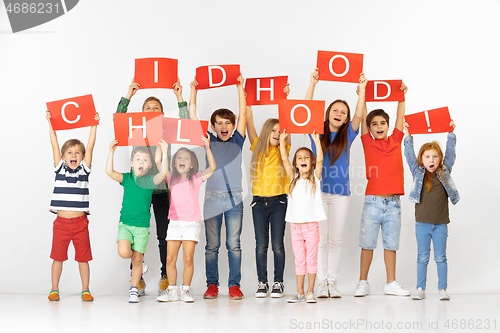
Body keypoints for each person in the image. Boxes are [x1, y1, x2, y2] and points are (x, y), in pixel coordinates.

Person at [116, 78, 190, 296]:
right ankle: (136, 279)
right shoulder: (137, 131)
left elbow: (186, 127)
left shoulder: (167, 130)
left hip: (161, 190)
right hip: (139, 190)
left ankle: (166, 276)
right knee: (135, 232)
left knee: (163, 235)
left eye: (156, 108)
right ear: (141, 114)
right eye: (147, 108)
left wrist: (179, 98)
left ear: (162, 114)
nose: (151, 110)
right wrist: (128, 96)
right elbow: (119, 121)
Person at [305, 69, 366, 298]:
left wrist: (362, 91)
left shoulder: (348, 135)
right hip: (317, 193)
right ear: (327, 113)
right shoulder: (315, 132)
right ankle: (321, 283)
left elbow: (360, 115)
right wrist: (313, 83)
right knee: (319, 240)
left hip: (340, 194)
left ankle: (332, 282)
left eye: (343, 112)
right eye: (335, 110)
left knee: (336, 239)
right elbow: (305, 109)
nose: (339, 114)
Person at [189, 74, 247, 300]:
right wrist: (194, 92)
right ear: (213, 126)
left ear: (232, 127)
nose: (224, 126)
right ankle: (212, 285)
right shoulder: (208, 141)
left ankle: (234, 286)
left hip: (234, 199)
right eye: (219, 123)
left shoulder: (237, 141)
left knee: (234, 245)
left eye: (227, 123)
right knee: (211, 246)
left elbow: (243, 114)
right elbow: (194, 118)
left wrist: (239, 87)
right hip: (212, 198)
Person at [354, 80, 410, 297]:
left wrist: (402, 96)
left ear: (388, 126)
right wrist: (362, 92)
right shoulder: (367, 141)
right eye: (374, 124)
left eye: (382, 124)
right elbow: (364, 110)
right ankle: (362, 282)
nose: (379, 127)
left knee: (390, 243)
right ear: (369, 128)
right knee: (367, 243)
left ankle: (391, 282)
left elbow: (400, 117)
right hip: (373, 202)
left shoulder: (396, 139)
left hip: (393, 203)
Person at [106, 139, 168, 303]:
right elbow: (109, 172)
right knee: (124, 252)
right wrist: (111, 152)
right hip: (125, 225)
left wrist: (163, 156)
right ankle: (139, 262)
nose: (141, 162)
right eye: (138, 159)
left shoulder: (149, 181)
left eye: (145, 160)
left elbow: (163, 174)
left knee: (137, 259)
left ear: (149, 166)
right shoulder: (126, 178)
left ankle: (134, 289)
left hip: (141, 228)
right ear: (132, 163)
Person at [46, 110, 99, 302]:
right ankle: (54, 289)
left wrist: (94, 125)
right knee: (57, 257)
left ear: (83, 156)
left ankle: (85, 289)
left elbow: (91, 147)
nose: (73, 155)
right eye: (69, 152)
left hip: (80, 224)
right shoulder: (59, 168)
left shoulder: (84, 170)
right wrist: (51, 123)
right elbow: (54, 143)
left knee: (83, 258)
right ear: (62, 156)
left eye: (77, 152)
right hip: (60, 223)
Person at [157, 134, 216, 303]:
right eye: (179, 157)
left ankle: (186, 290)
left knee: (188, 258)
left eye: (187, 158)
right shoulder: (170, 178)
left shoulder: (195, 178)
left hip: (191, 224)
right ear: (175, 163)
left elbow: (212, 168)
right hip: (174, 223)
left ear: (191, 165)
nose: (182, 160)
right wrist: (164, 151)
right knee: (170, 258)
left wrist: (207, 148)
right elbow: (160, 165)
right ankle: (172, 290)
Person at [404, 121, 459, 301]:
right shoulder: (417, 173)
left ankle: (442, 289)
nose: (431, 160)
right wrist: (408, 136)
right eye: (427, 157)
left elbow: (451, 154)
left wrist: (450, 133)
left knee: (441, 257)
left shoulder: (445, 171)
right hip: (422, 224)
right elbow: (409, 156)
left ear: (440, 159)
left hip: (441, 224)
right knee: (422, 257)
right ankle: (421, 288)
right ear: (422, 160)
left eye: (435, 156)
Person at [247, 90, 290, 298]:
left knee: (278, 245)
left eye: (280, 131)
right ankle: (262, 282)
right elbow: (250, 125)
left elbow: (289, 120)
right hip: (259, 203)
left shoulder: (285, 148)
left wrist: (286, 100)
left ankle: (278, 282)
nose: (277, 133)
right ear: (267, 132)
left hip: (279, 201)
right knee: (261, 245)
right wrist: (247, 101)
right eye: (274, 130)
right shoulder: (257, 147)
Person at [280, 130, 326, 303]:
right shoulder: (293, 179)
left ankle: (310, 291)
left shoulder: (315, 177)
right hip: (295, 228)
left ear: (312, 162)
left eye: (307, 157)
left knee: (311, 259)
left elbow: (320, 159)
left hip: (311, 227)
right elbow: (284, 159)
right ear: (296, 164)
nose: (303, 160)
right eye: (299, 158)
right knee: (299, 260)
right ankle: (299, 292)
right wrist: (284, 142)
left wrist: (316, 141)